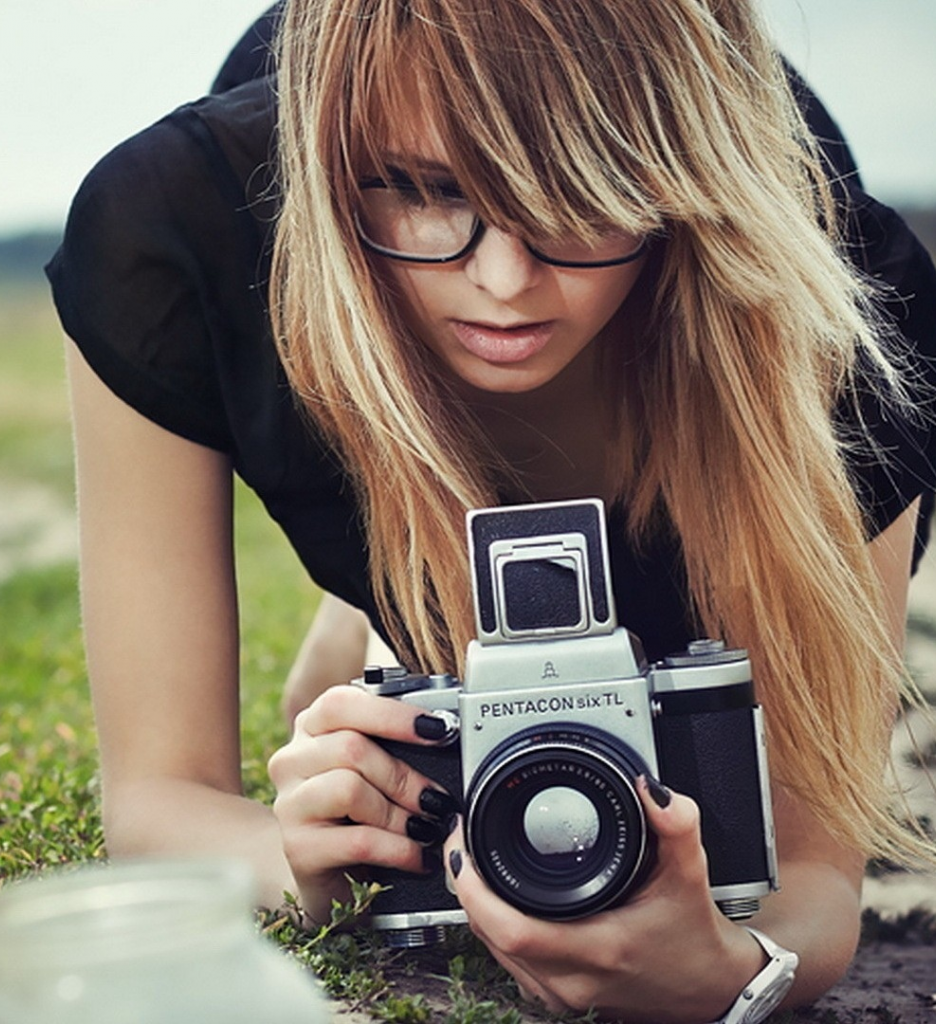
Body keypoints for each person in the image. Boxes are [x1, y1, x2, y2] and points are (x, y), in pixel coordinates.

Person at [46, 1, 936, 1020]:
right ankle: (386, 590)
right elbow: (155, 800)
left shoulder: (847, 316)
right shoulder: (181, 231)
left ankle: (398, 603)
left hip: (733, 361)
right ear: (337, 169)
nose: (504, 283)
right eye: (424, 191)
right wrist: (298, 859)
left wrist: (725, 974)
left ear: (673, 186)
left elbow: (815, 877)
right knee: (375, 675)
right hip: (331, 317)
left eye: (575, 199)